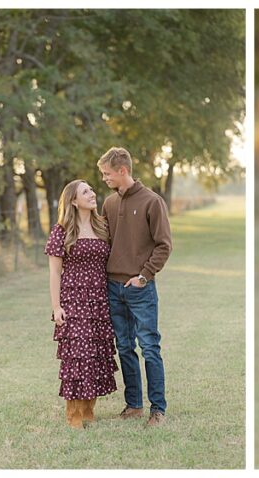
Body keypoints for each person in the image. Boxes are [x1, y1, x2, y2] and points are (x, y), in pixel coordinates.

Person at [97, 146, 173, 427]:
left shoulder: (152, 201)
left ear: (123, 170)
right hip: (113, 288)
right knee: (125, 347)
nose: (104, 179)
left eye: (107, 174)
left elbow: (164, 246)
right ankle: (133, 405)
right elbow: (104, 243)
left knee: (150, 347)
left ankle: (158, 409)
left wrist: (144, 276)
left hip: (140, 288)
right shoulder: (108, 203)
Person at [46, 180, 119, 429]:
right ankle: (73, 413)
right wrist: (56, 307)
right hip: (74, 300)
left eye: (91, 190)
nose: (92, 194)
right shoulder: (62, 230)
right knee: (77, 357)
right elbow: (55, 273)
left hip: (100, 301)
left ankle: (89, 409)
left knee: (97, 355)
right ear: (74, 201)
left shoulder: (102, 227)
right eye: (85, 191)